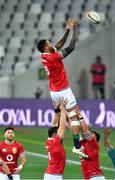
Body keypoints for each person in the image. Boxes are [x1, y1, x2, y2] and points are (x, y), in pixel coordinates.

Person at [36, 18, 87, 158]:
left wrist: (67, 30)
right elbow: (70, 48)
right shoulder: (52, 58)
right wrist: (75, 29)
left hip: (54, 92)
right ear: (46, 47)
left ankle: (52, 142)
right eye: (48, 43)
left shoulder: (44, 55)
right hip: (63, 90)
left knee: (58, 116)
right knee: (74, 117)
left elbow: (57, 45)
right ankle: (77, 146)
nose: (51, 44)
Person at [43, 98, 68, 180]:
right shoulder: (56, 142)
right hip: (55, 176)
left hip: (49, 174)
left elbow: (54, 125)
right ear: (54, 134)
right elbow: (62, 125)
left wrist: (57, 111)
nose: (59, 133)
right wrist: (63, 109)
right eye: (58, 132)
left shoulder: (49, 141)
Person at [78, 115, 105, 180]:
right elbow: (76, 131)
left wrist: (80, 117)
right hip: (91, 177)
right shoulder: (82, 143)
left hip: (95, 177)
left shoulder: (94, 146)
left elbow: (86, 131)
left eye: (92, 134)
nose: (90, 134)